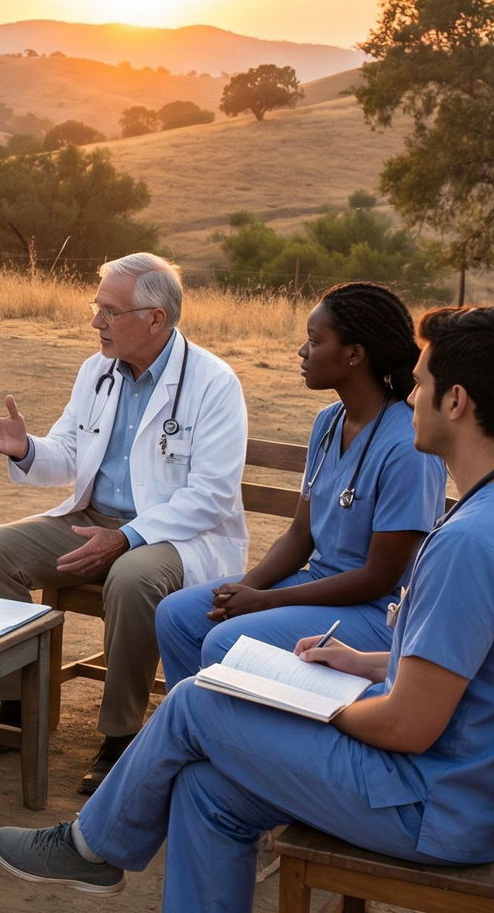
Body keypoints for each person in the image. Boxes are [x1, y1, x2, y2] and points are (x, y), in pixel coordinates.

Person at [0, 306, 494, 913]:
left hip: (440, 806)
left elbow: (408, 726)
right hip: (481, 785)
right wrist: (365, 665)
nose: (412, 395)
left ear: (457, 402)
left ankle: (93, 845)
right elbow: (480, 665)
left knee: (200, 702)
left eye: (425, 381)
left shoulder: (469, 541)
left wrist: (313, 709)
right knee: (210, 788)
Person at [0, 252, 248, 792]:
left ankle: (121, 734)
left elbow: (212, 496)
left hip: (174, 535)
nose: (96, 322)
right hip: (92, 519)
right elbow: (69, 452)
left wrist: (127, 538)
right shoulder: (97, 371)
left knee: (132, 578)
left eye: (109, 311)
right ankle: (17, 710)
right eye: (97, 307)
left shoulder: (213, 383)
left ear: (154, 318)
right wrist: (25, 450)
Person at [154, 282, 445, 685]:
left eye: (313, 341)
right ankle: (200, 737)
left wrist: (267, 600)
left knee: (225, 640)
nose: (302, 351)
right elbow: (299, 534)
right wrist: (244, 588)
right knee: (178, 615)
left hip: (376, 612)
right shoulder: (328, 423)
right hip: (314, 585)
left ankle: (231, 738)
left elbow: (379, 577)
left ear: (354, 353)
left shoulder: (407, 445)